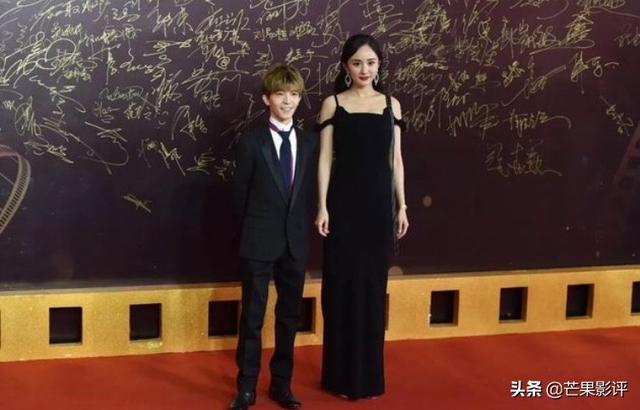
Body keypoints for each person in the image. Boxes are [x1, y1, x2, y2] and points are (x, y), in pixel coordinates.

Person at [315, 34, 409, 400]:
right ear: (345, 67)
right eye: (357, 63)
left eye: (370, 62)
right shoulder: (333, 104)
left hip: (377, 210)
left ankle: (368, 379)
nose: (364, 70)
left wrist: (402, 205)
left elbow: (395, 160)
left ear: (379, 65)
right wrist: (322, 206)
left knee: (372, 289)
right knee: (340, 288)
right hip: (343, 207)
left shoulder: (391, 105)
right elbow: (325, 158)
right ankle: (338, 377)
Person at [230, 64, 317, 410]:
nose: (288, 101)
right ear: (267, 98)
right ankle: (246, 388)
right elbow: (239, 195)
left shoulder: (309, 142)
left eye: (294, 94)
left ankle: (282, 385)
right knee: (252, 318)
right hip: (258, 241)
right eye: (280, 94)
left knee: (289, 317)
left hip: (295, 243)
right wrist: (251, 233)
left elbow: (306, 193)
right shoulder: (251, 141)